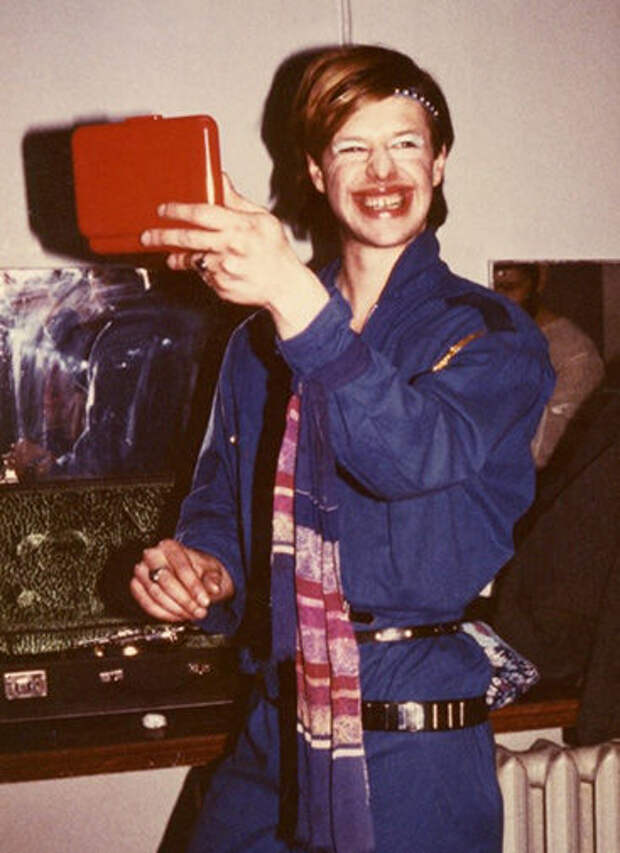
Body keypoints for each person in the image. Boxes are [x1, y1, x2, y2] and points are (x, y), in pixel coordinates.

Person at [130, 45, 553, 853]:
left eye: (405, 144)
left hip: (412, 744)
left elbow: (410, 454)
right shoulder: (257, 340)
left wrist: (293, 294)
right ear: (316, 172)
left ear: (439, 162)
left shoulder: (492, 334)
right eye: (352, 147)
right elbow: (225, 497)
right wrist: (206, 568)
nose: (381, 170)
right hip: (273, 732)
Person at [493, 261, 604, 468]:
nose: (497, 301)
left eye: (509, 288)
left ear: (540, 279)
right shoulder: (478, 337)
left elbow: (544, 455)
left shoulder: (575, 354)